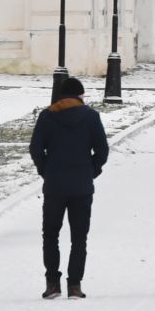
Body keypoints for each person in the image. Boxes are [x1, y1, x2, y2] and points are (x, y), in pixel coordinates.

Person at [30, 74, 109, 299]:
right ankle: (75, 285)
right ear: (79, 95)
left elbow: (36, 149)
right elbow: (102, 151)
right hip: (81, 186)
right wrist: (90, 171)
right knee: (79, 237)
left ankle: (52, 283)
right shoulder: (91, 117)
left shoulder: (47, 116)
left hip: (54, 185)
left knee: (50, 234)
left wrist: (46, 170)